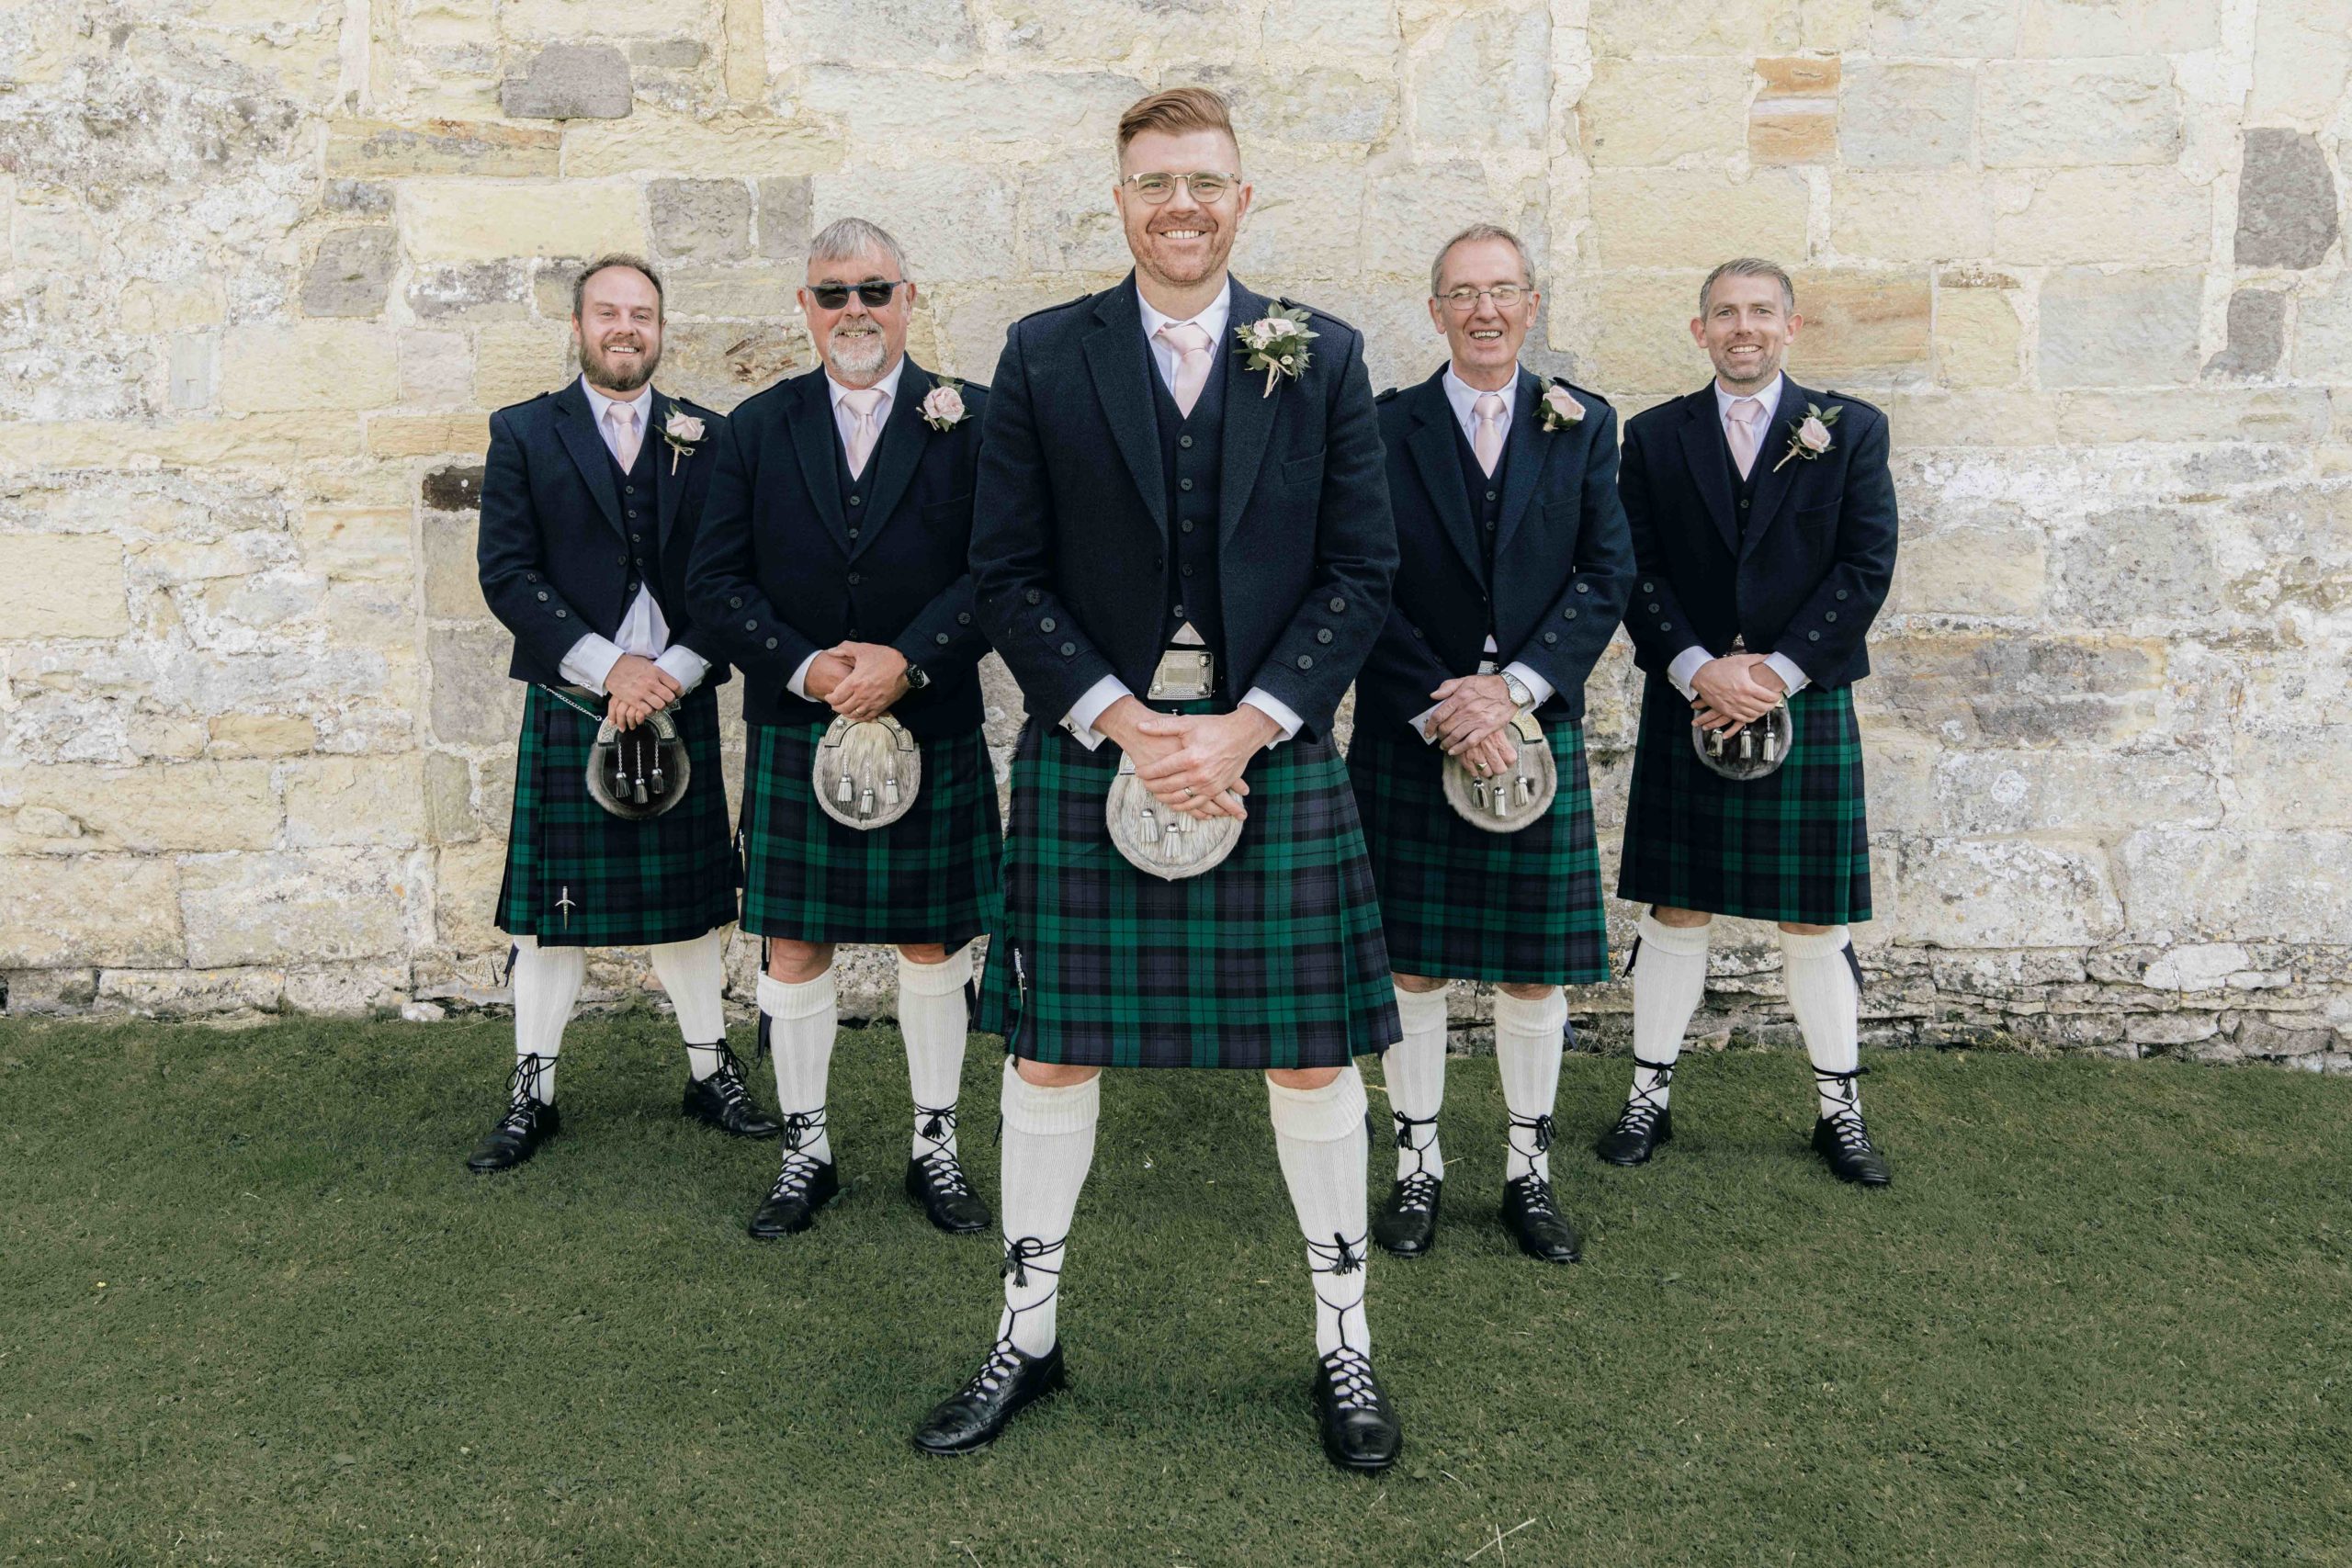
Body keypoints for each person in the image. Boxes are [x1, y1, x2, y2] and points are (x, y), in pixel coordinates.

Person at [910, 86, 1404, 1472]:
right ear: (1118, 200)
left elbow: (1363, 571)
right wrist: (1126, 720)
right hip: (1096, 742)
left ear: (1244, 200)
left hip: (1270, 747)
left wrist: (1246, 725)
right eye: (1153, 183)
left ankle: (1344, 1341)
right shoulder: (1045, 355)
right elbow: (1005, 571)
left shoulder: (1322, 354)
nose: (1179, 205)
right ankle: (1027, 1327)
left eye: (1204, 182)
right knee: (1054, 1043)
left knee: (1311, 1051)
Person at [686, 219, 1001, 1240]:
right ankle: (805, 1150)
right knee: (792, 945)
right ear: (804, 307)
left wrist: (906, 661)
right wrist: (811, 665)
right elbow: (714, 582)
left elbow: (998, 573)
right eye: (833, 294)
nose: (854, 311)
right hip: (798, 718)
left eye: (874, 290)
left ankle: (935, 1148)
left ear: (910, 297)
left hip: (932, 713)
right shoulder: (753, 428)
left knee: (931, 940)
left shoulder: (976, 420)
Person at [1351, 223, 1634, 1263]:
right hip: (1409, 724)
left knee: (1530, 973)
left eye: (1502, 292)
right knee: (1410, 970)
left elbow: (1604, 577)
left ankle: (1528, 1172)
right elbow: (1359, 580)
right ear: (1434, 312)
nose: (1483, 311)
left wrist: (1507, 693)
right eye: (1462, 294)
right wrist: (1442, 702)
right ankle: (1417, 1167)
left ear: (1530, 305)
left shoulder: (1582, 423)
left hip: (1530, 731)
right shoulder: (1383, 428)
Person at [468, 253, 775, 1174]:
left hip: (678, 690)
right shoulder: (524, 432)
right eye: (608, 312)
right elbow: (507, 574)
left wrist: (672, 671)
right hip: (575, 694)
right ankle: (535, 1087)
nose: (626, 327)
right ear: (578, 326)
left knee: (687, 907)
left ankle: (706, 1069)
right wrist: (612, 672)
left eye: (642, 313)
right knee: (548, 914)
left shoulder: (711, 437)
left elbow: (735, 581)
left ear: (661, 329)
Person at [1601, 257, 1899, 1186]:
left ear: (1790, 326)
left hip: (1797, 699)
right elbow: (1631, 568)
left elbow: (1864, 565)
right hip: (1688, 693)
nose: (1743, 327)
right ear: (1699, 331)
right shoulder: (1652, 437)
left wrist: (1774, 672)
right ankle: (1648, 1094)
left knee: (1813, 917)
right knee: (1674, 904)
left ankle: (1837, 1110)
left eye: (1760, 312)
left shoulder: (1850, 431)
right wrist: (1697, 666)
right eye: (1725, 313)